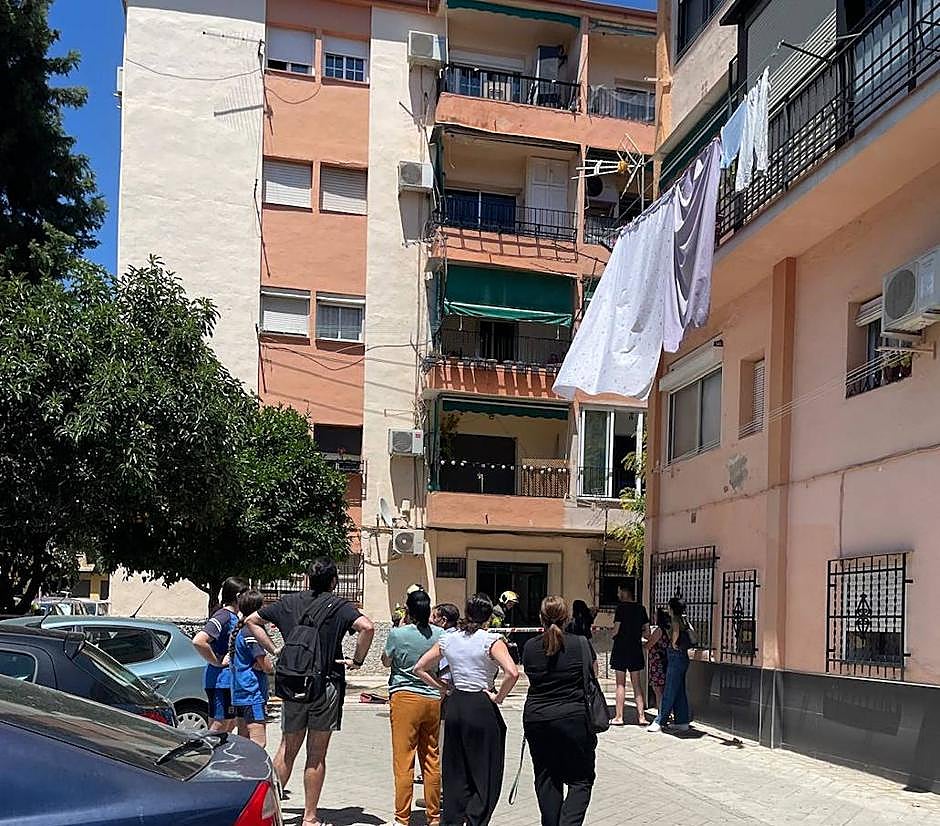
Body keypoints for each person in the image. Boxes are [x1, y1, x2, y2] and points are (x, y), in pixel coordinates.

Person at [245, 558, 375, 826]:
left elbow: (252, 620)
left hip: (293, 683)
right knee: (316, 754)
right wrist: (357, 660)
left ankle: (268, 813)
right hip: (325, 685)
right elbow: (368, 627)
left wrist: (275, 649)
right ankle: (310, 817)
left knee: (287, 749)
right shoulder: (340, 606)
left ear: (307, 579)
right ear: (334, 581)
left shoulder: (288, 602)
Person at [414, 593, 519, 826]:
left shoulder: (449, 639)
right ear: (488, 616)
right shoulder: (491, 640)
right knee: (486, 770)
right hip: (481, 704)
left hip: (456, 703)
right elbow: (512, 673)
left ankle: (452, 818)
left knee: (455, 769)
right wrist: (499, 697)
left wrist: (443, 687)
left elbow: (420, 667)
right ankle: (475, 818)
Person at [522, 597, 598, 826]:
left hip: (537, 719)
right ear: (567, 619)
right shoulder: (580, 644)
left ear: (540, 618)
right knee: (581, 780)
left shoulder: (530, 647)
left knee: (547, 778)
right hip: (573, 718)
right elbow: (592, 674)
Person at [382, 589, 444, 826]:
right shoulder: (440, 634)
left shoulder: (397, 634)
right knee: (431, 758)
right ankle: (434, 816)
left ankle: (402, 817)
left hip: (404, 696)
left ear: (408, 610)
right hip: (432, 698)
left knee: (404, 760)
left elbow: (386, 661)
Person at [192, 576, 248, 733]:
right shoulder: (223, 616)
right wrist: (216, 661)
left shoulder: (234, 617)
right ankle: (208, 749)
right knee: (219, 726)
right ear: (238, 596)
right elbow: (199, 641)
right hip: (220, 681)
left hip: (229, 681)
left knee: (230, 724)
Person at [228, 589, 272, 748]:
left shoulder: (239, 630)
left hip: (239, 692)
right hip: (252, 693)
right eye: (263, 606)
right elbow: (267, 666)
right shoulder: (251, 633)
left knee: (244, 739)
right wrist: (268, 664)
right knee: (258, 743)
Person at [648, 597, 694, 734]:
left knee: (669, 690)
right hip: (684, 657)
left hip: (675, 657)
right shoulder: (684, 619)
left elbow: (675, 632)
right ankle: (682, 721)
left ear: (672, 608)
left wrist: (673, 644)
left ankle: (660, 721)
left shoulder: (675, 620)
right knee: (680, 691)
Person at [609, 582, 650, 726]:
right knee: (636, 684)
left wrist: (612, 634)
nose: (618, 594)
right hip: (635, 648)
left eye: (619, 591)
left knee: (620, 684)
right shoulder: (641, 609)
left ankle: (619, 717)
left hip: (621, 648)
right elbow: (647, 632)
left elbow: (616, 630)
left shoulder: (621, 608)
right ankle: (641, 717)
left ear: (624, 592)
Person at [645, 608, 671, 714]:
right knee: (664, 689)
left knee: (658, 690)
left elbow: (648, 645)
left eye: (655, 615)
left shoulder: (659, 630)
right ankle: (666, 712)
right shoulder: (669, 630)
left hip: (657, 663)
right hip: (666, 662)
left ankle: (661, 713)